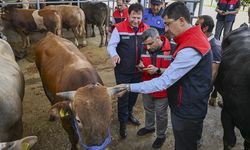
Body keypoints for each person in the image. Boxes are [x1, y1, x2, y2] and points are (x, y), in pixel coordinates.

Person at [114, 2, 212, 149]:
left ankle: (161, 135)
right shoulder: (190, 39)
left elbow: (163, 82)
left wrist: (128, 87)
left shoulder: (190, 47)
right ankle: (151, 127)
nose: (165, 29)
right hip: (185, 102)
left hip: (187, 109)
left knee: (184, 144)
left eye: (167, 24)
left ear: (181, 21)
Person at [107, 3, 149, 139]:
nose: (136, 21)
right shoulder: (119, 28)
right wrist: (114, 54)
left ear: (142, 17)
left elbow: (149, 46)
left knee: (133, 96)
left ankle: (130, 114)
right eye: (133, 17)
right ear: (128, 15)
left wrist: (146, 60)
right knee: (123, 98)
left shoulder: (146, 28)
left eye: (138, 17)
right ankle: (122, 123)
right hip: (123, 71)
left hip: (138, 70)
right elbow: (112, 45)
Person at [137, 27, 171, 148]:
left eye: (150, 44)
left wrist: (158, 70)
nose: (147, 47)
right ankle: (150, 127)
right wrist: (140, 66)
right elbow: (140, 62)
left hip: (163, 91)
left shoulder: (172, 48)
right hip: (147, 87)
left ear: (158, 38)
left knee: (161, 114)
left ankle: (161, 135)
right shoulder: (144, 47)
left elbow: (177, 71)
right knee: (148, 109)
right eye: (145, 45)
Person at [195, 15, 222, 147]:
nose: (194, 27)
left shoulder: (215, 46)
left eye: (196, 25)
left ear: (205, 28)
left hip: (202, 89)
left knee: (198, 113)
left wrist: (203, 91)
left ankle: (197, 140)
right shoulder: (202, 40)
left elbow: (213, 72)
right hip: (197, 85)